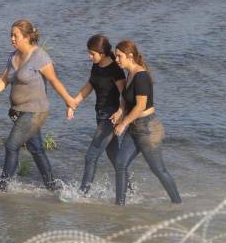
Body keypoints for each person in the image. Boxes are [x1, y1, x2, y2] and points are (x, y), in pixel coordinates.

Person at [0, 20, 76, 193]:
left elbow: (54, 81)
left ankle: (2, 186)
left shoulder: (40, 57)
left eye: (15, 35)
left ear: (26, 37)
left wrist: (69, 101)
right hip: (18, 111)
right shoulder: (13, 57)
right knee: (36, 148)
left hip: (35, 111)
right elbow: (4, 79)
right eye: (11, 35)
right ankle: (52, 185)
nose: (12, 38)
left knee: (11, 145)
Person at [111, 40, 182, 204]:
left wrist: (123, 123)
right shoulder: (130, 74)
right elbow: (126, 100)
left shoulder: (141, 76)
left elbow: (140, 106)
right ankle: (119, 206)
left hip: (148, 129)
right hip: (134, 127)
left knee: (158, 170)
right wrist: (120, 112)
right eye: (115, 56)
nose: (116, 59)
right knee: (120, 163)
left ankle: (178, 204)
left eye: (119, 56)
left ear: (130, 56)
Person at [70, 34, 138, 200]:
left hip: (111, 117)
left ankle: (81, 194)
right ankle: (130, 192)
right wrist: (74, 103)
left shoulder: (115, 70)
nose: (89, 56)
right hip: (100, 115)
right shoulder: (96, 66)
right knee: (115, 158)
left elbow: (125, 94)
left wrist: (120, 113)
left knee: (91, 156)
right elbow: (89, 86)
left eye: (92, 53)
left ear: (102, 53)